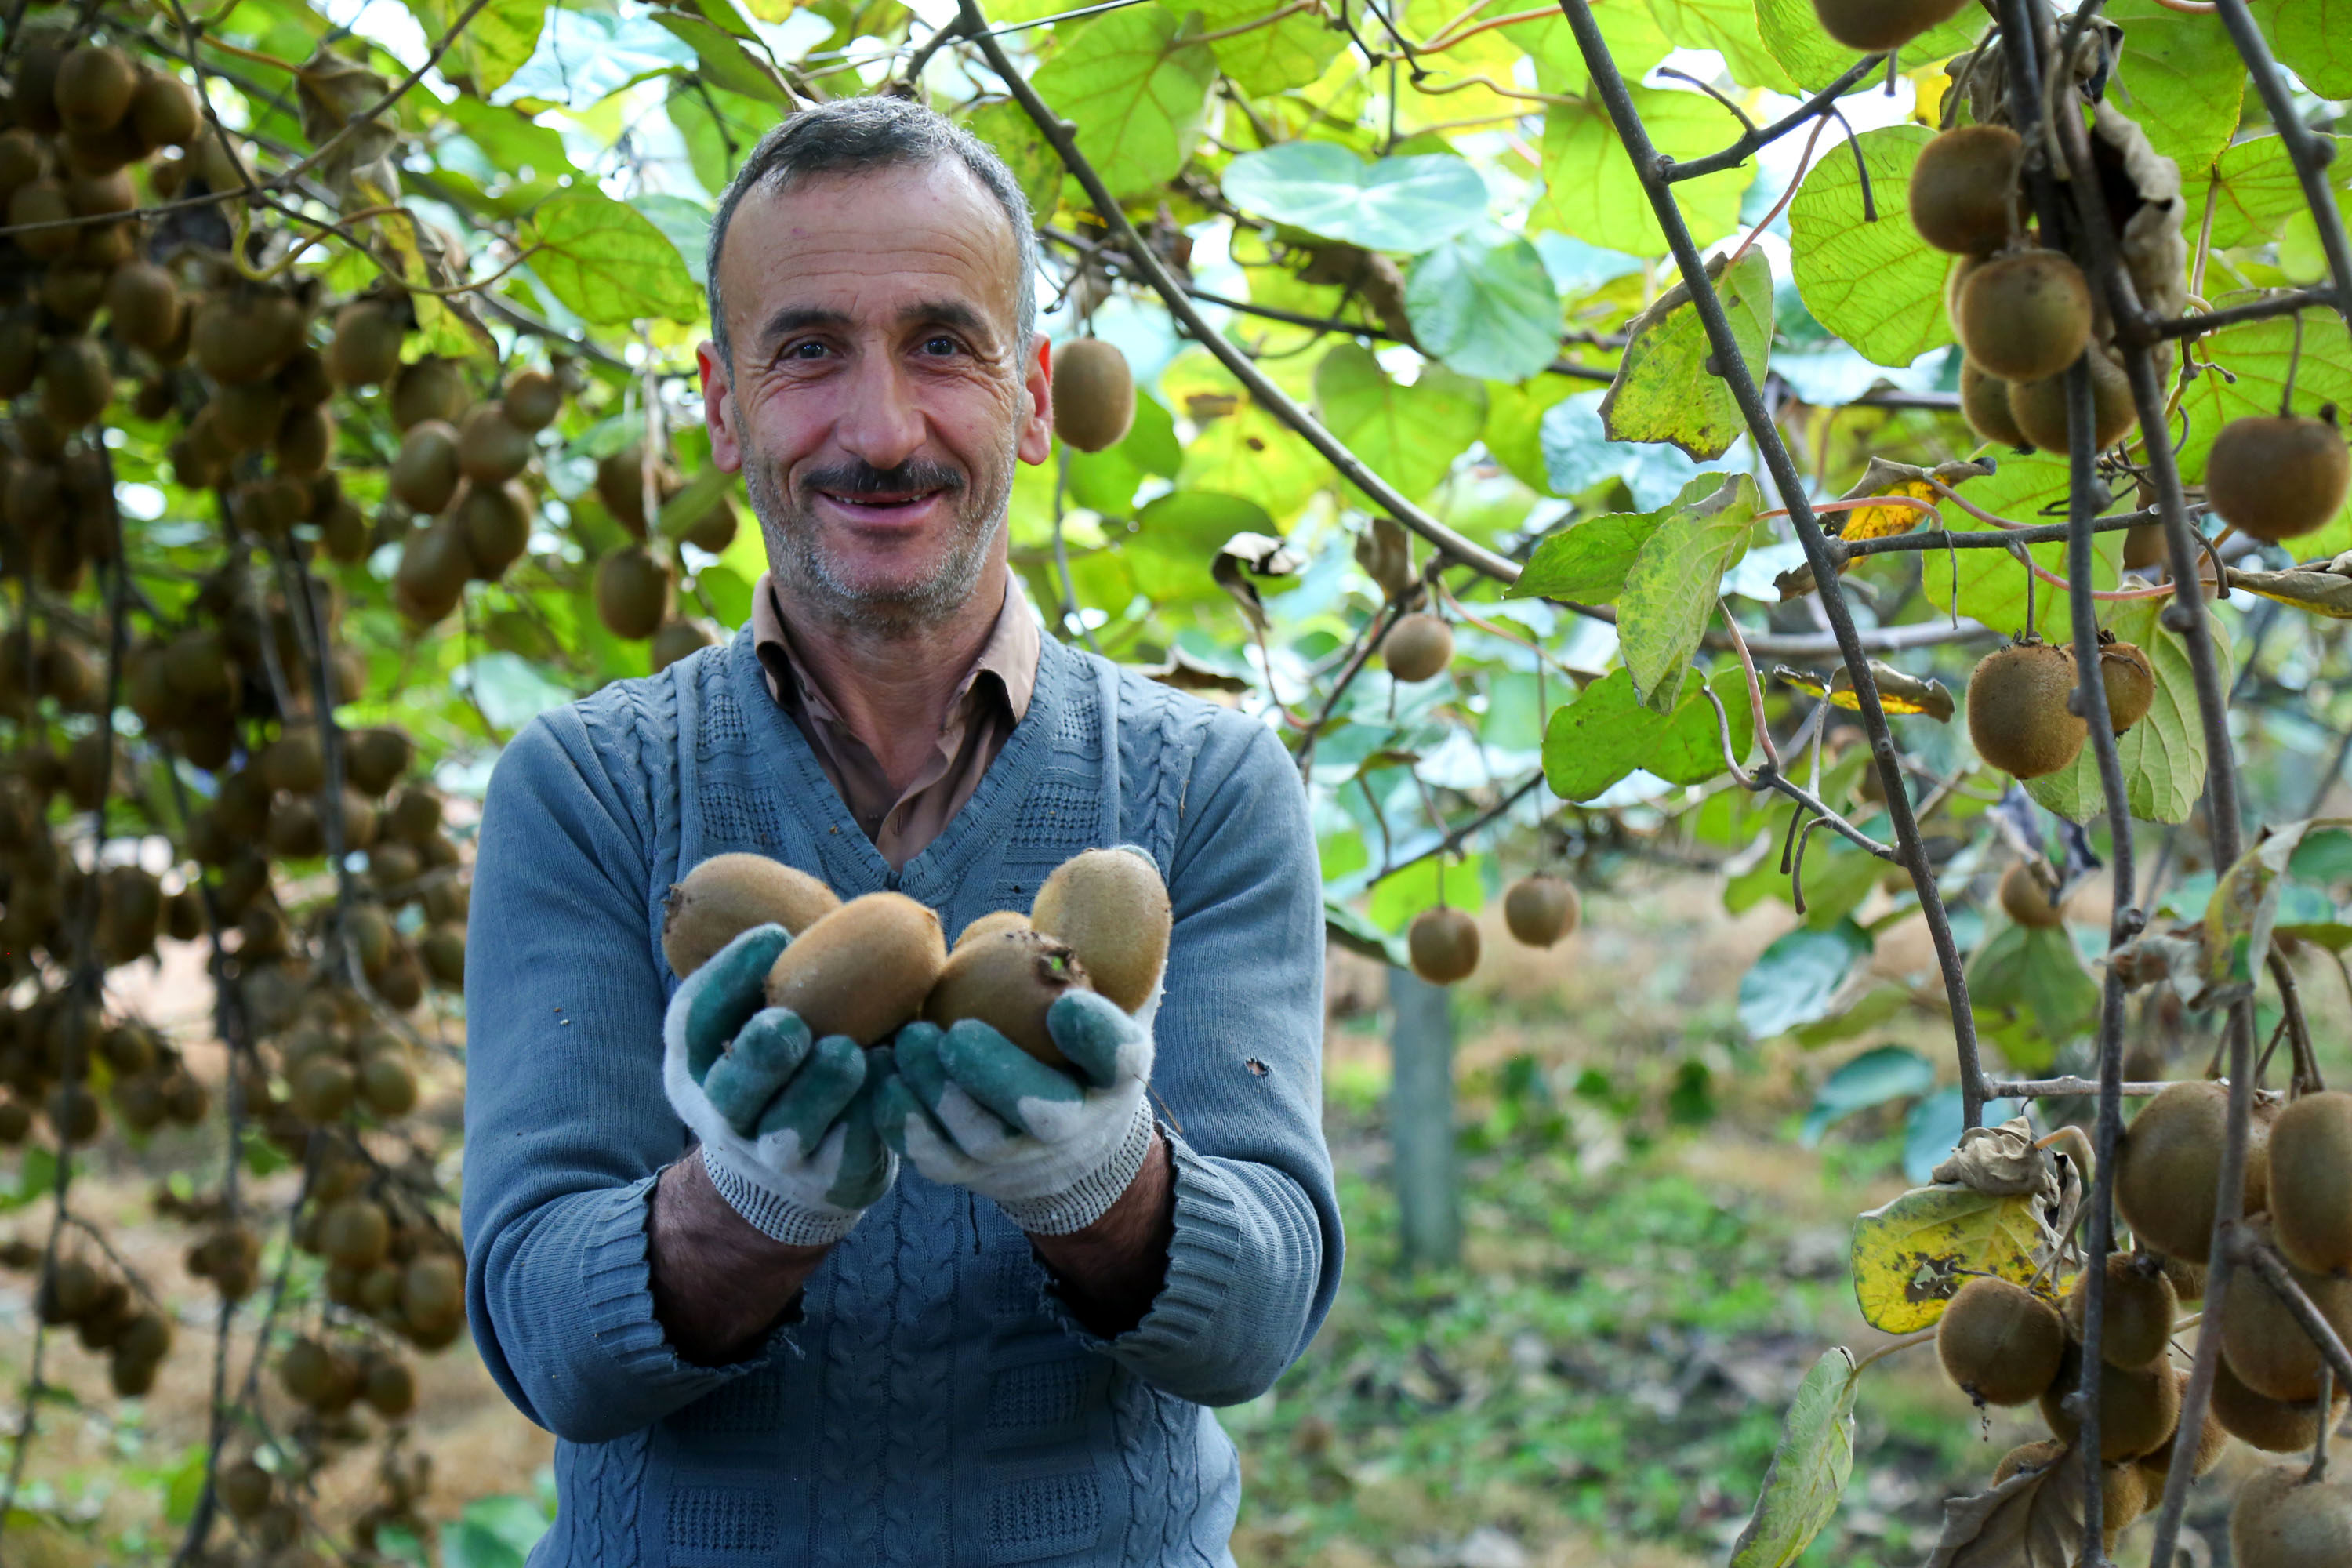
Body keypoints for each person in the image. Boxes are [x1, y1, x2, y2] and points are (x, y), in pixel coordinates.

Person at [460, 94, 1342, 1565]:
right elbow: (548, 1343)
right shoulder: (587, 788)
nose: (880, 430)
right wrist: (745, 1201)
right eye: (808, 352)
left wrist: (1098, 1180)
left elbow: (1256, 1324)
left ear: (1035, 399)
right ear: (724, 406)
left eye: (943, 345)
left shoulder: (1208, 785)